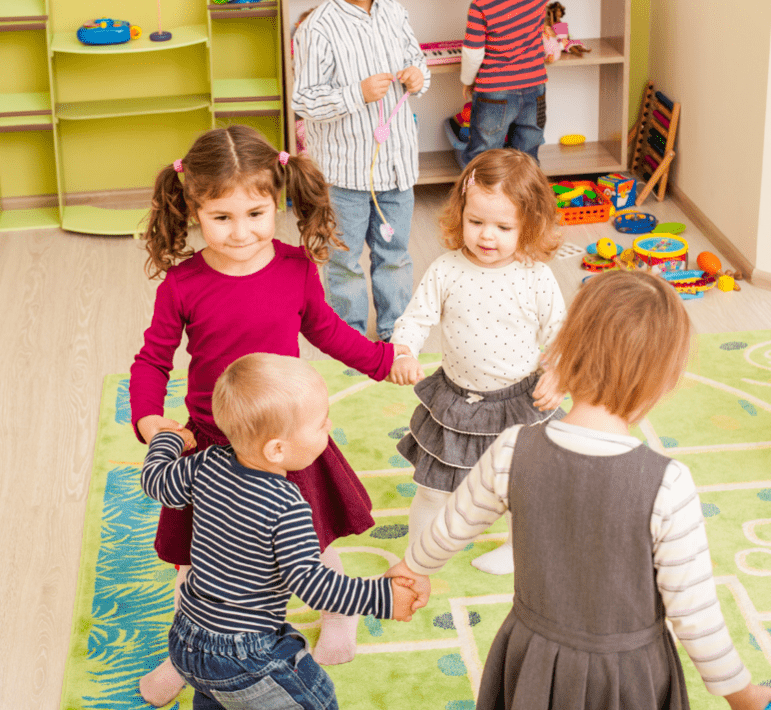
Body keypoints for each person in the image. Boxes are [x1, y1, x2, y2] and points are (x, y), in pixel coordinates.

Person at [387, 270, 771, 710]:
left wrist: (413, 568)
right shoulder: (668, 482)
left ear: (564, 352)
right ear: (665, 380)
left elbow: (449, 528)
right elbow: (696, 617)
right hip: (629, 678)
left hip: (531, 658)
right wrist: (743, 696)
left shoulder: (513, 448)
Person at [129, 125, 411, 706]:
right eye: (221, 217)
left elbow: (328, 332)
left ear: (277, 202)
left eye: (256, 213)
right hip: (210, 443)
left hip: (287, 437)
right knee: (194, 555)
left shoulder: (294, 267)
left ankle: (338, 616)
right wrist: (149, 420)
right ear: (194, 210)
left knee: (314, 538)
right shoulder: (183, 284)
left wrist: (384, 361)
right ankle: (189, 655)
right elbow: (153, 359)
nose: (241, 232)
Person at [142, 353, 422, 710]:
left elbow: (154, 481)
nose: (329, 427)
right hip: (244, 656)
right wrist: (382, 598)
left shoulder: (204, 464)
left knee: (217, 698)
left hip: (185, 638)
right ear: (277, 449)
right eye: (321, 425)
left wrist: (169, 441)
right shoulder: (287, 505)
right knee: (316, 702)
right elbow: (314, 585)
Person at [388, 149, 566, 576]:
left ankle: (516, 549)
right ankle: (419, 555)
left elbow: (561, 336)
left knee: (521, 488)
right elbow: (416, 318)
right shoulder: (446, 269)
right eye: (476, 222)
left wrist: (559, 373)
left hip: (520, 403)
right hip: (456, 403)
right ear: (460, 213)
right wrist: (404, 350)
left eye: (504, 227)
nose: (488, 236)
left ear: (529, 225)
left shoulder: (535, 275)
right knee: (432, 487)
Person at [291, 0, 430, 343]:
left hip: (396, 168)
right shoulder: (318, 26)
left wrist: (417, 75)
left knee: (394, 256)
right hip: (344, 174)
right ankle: (348, 341)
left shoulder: (395, 11)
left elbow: (417, 61)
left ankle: (395, 336)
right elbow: (304, 100)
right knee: (343, 260)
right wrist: (357, 93)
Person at [459, 0, 548, 167]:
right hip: (535, 87)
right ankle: (523, 194)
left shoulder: (481, 5)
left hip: (495, 90)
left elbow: (473, 54)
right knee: (527, 158)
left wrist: (467, 80)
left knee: (484, 157)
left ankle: (483, 193)